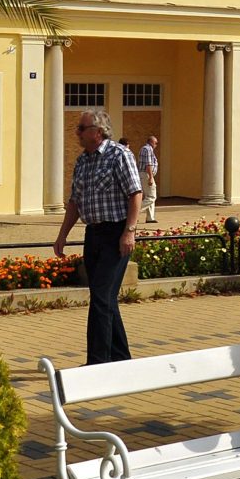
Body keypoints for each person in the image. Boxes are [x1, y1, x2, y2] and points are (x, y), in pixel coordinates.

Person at [52, 109, 143, 364]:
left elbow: (136, 194)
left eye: (82, 128)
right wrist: (62, 236)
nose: (77, 132)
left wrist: (129, 231)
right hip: (93, 235)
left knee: (101, 298)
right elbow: (75, 202)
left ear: (98, 131)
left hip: (117, 232)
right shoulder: (83, 161)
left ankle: (97, 362)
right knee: (106, 297)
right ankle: (122, 358)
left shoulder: (119, 155)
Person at [137, 135, 159, 224]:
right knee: (152, 197)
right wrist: (150, 177)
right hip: (146, 175)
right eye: (156, 143)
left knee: (149, 196)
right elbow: (148, 164)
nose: (156, 145)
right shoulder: (148, 149)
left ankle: (150, 217)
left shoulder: (145, 149)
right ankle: (133, 212)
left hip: (145, 174)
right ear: (151, 142)